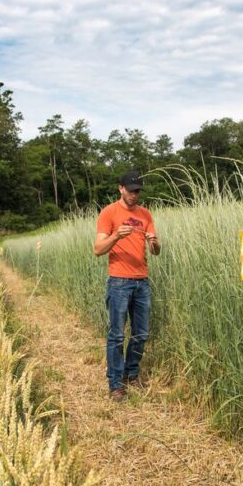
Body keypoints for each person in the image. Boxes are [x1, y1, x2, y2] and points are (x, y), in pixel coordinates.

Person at [93, 170, 161, 402]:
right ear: (120, 188)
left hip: (142, 281)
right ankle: (115, 385)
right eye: (131, 190)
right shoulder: (109, 213)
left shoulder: (145, 214)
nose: (135, 195)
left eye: (138, 191)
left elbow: (155, 250)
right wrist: (116, 237)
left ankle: (132, 374)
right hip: (119, 282)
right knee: (117, 336)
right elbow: (97, 249)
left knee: (141, 334)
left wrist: (154, 243)